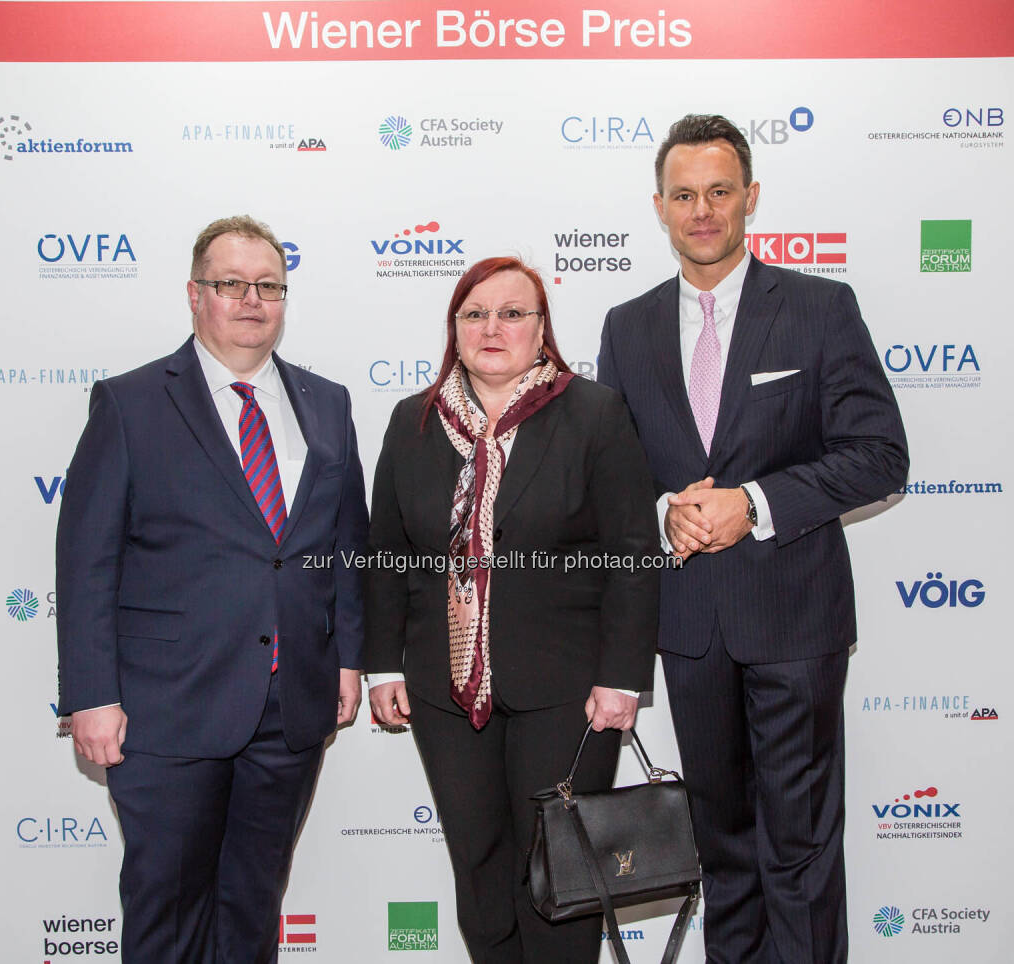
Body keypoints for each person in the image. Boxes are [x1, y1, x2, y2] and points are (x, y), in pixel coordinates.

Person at [598, 115, 909, 963]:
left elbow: (882, 455)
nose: (704, 210)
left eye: (720, 192)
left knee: (800, 847)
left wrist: (756, 502)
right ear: (659, 206)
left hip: (795, 616)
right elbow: (614, 477)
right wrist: (666, 509)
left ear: (751, 198)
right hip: (690, 628)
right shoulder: (626, 328)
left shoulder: (819, 307)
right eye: (685, 194)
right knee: (722, 846)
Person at [55, 214, 368, 963]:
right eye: (231, 284)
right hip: (168, 706)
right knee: (167, 910)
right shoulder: (130, 404)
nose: (251, 299)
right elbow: (85, 559)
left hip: (289, 704)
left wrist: (349, 658)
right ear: (195, 295)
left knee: (254, 905)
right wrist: (91, 694)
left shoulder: (327, 404)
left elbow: (346, 546)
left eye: (269, 286)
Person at [366, 256, 659, 963]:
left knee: (562, 868)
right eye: (474, 314)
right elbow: (385, 554)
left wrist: (623, 678)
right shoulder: (413, 421)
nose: (492, 328)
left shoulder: (594, 412)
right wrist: (380, 665)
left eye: (511, 313)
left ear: (541, 329)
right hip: (443, 688)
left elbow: (631, 553)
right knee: (478, 863)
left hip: (567, 690)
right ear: (454, 328)